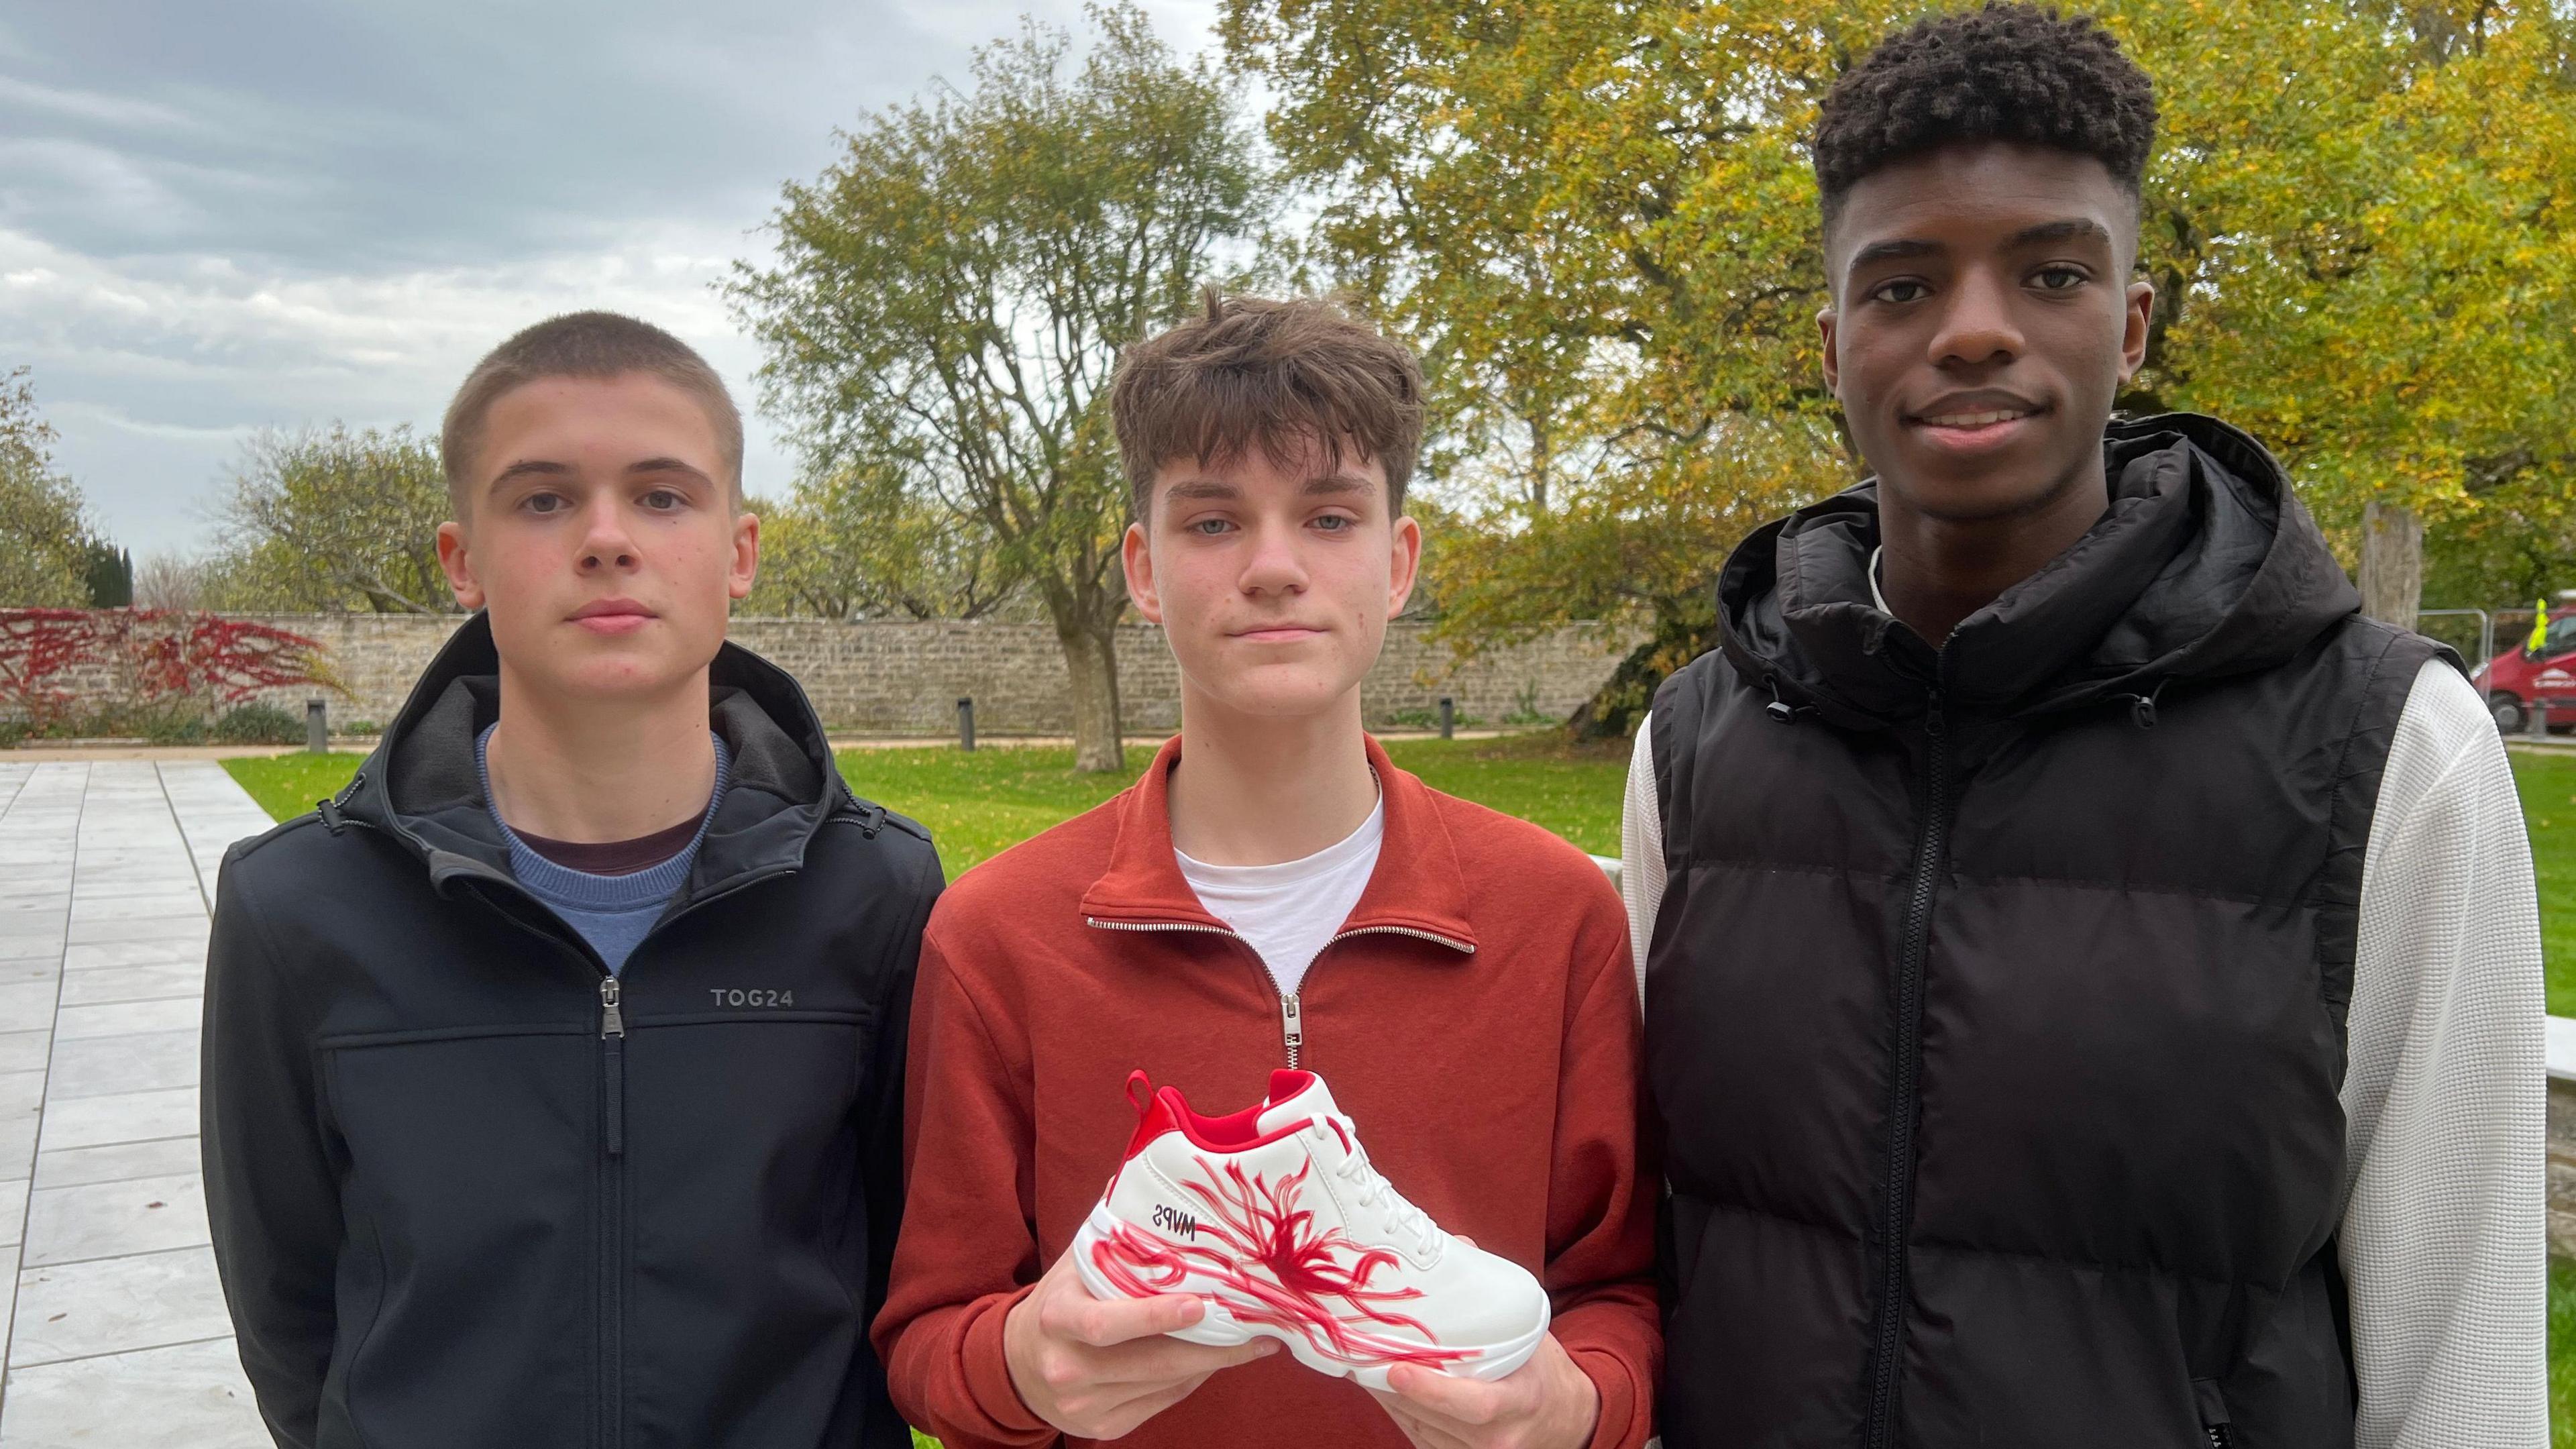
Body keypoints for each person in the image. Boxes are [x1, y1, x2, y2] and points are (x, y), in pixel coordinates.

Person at [1622, 7, 2544, 1446]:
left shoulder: (2391, 748)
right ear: (1832, 343)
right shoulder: (1697, 745)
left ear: (2130, 322)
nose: (1975, 329)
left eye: (2049, 272)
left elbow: (2460, 1354)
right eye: (1904, 284)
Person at [874, 292, 1660, 1449]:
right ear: (1144, 570)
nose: (1275, 567)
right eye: (1213, 523)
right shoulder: (998, 935)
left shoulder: (1555, 915)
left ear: (1397, 564)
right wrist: (1021, 1368)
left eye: (1329, 517)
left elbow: (1626, 1295)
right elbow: (931, 1333)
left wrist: (1580, 1404)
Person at [201, 311, 936, 1448]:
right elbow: (288, 1316)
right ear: (464, 560)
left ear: (738, 554)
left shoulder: (879, 891)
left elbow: (907, 1269)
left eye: (661, 496)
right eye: (543, 500)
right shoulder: (293, 908)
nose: (606, 539)